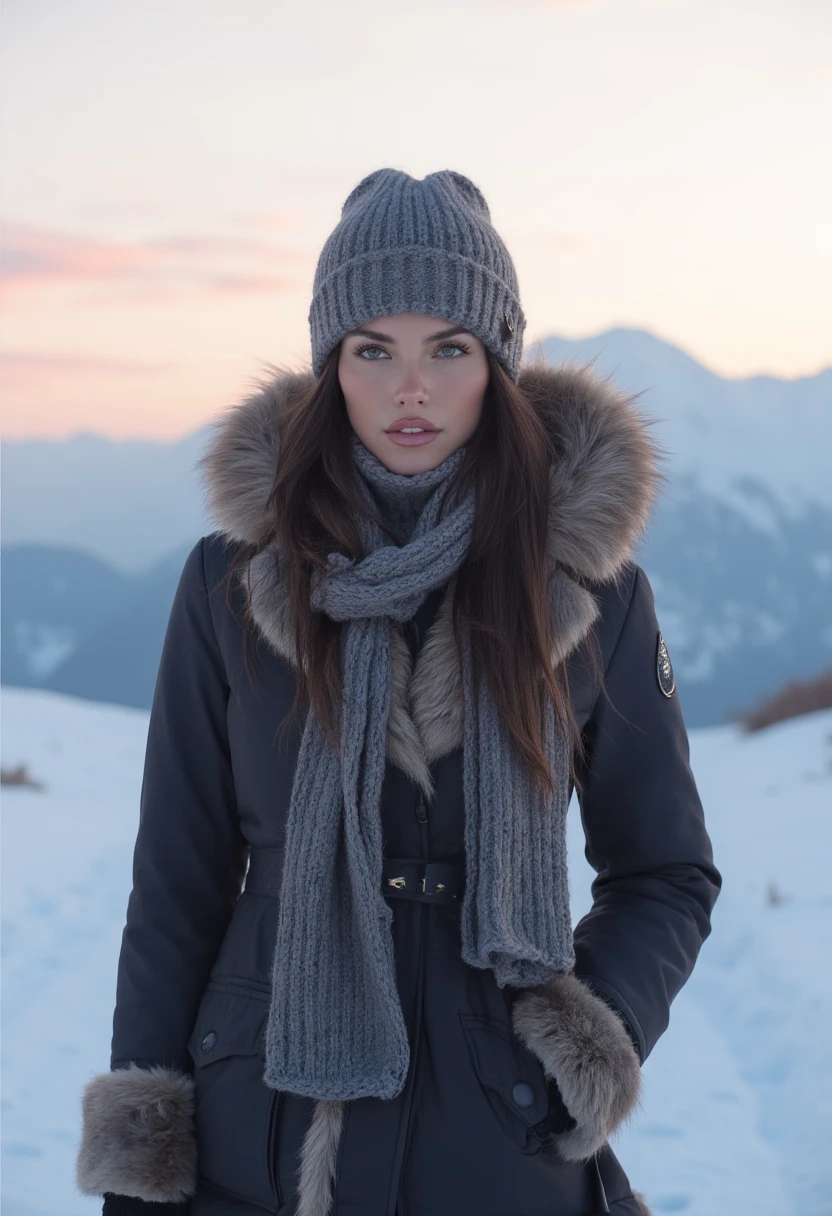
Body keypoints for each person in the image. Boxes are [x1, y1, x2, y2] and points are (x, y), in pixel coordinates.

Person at [74, 167, 721, 1216]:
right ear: (332, 365)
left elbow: (664, 869)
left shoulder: (591, 591)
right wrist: (142, 1151)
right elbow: (178, 883)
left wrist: (588, 1035)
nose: (407, 387)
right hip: (262, 1124)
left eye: (447, 349)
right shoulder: (231, 584)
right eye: (373, 349)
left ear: (496, 363)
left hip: (495, 1128)